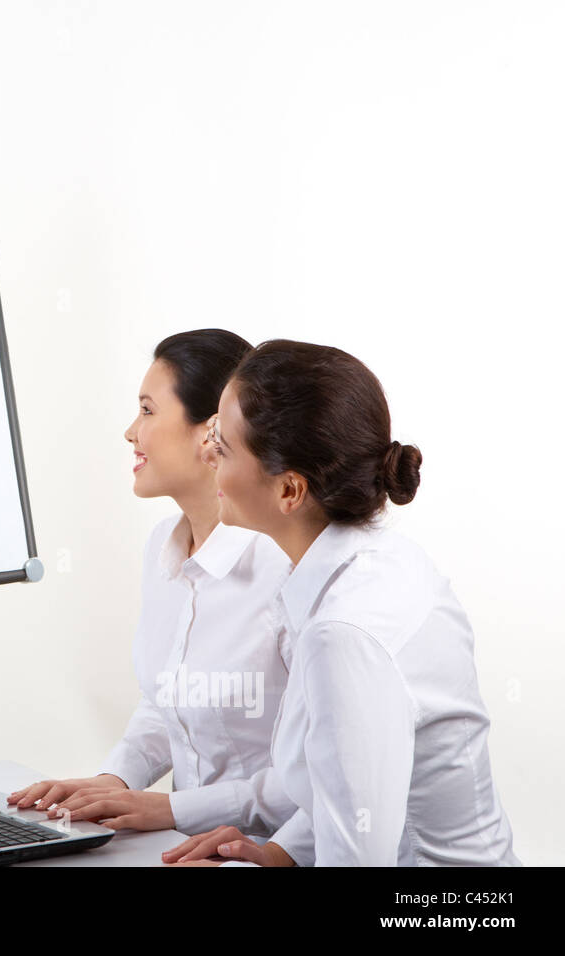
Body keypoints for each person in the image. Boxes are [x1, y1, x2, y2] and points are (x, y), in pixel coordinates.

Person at [159, 339, 518, 865]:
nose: (209, 453)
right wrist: (280, 852)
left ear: (289, 492)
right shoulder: (386, 560)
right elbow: (351, 782)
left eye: (225, 446)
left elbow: (358, 854)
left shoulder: (343, 635)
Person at [7, 330, 295, 833]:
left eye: (146, 410)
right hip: (188, 850)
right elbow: (170, 702)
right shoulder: (165, 547)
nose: (130, 432)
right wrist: (116, 779)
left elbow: (323, 771)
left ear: (212, 431)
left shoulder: (283, 567)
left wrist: (172, 810)